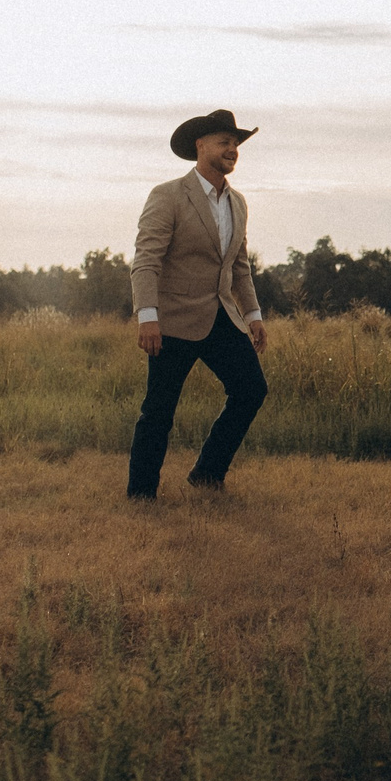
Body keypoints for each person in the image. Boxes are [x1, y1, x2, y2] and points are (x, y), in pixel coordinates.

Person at [126, 109, 268, 500]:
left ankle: (207, 473)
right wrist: (147, 316)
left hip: (223, 317)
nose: (232, 150)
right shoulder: (168, 195)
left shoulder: (237, 202)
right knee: (159, 410)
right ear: (200, 146)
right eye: (224, 142)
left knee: (251, 390)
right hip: (171, 320)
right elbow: (146, 259)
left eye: (236, 144)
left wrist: (253, 316)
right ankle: (141, 495)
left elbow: (239, 265)